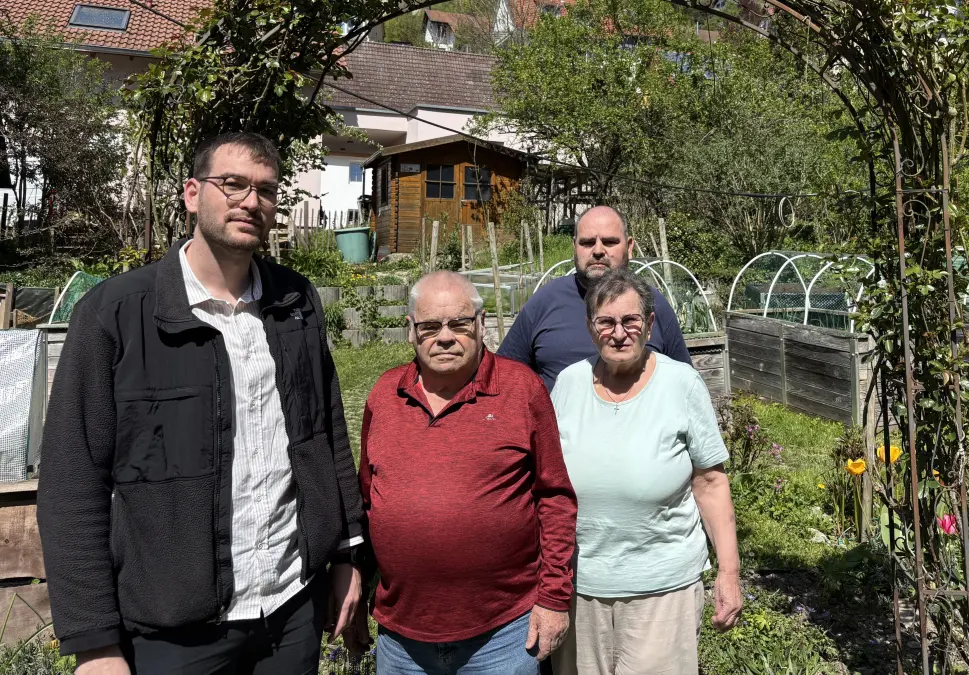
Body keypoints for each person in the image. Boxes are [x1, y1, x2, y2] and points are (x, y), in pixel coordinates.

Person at [37, 132, 365, 674]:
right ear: (193, 193)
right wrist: (94, 643)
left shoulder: (294, 302)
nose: (249, 201)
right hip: (175, 632)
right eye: (231, 184)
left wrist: (347, 552)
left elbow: (326, 431)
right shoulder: (116, 315)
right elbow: (73, 480)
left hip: (290, 611)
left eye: (264, 189)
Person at [349, 271, 578, 674]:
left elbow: (555, 499)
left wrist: (554, 598)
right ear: (411, 332)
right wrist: (355, 586)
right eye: (430, 326)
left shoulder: (520, 389)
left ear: (481, 324)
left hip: (504, 635)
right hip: (402, 640)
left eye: (459, 323)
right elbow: (366, 501)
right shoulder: (385, 395)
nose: (445, 337)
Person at [548, 268, 742, 675]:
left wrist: (729, 572)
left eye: (630, 320)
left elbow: (710, 482)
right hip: (579, 587)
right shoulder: (567, 384)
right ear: (590, 327)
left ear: (650, 324)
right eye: (606, 322)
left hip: (662, 588)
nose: (619, 333)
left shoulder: (681, 383)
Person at [498, 205, 691, 391]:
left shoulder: (652, 304)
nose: (598, 250)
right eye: (587, 242)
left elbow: (684, 384)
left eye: (609, 242)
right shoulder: (544, 302)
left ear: (630, 247)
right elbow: (502, 379)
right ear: (575, 246)